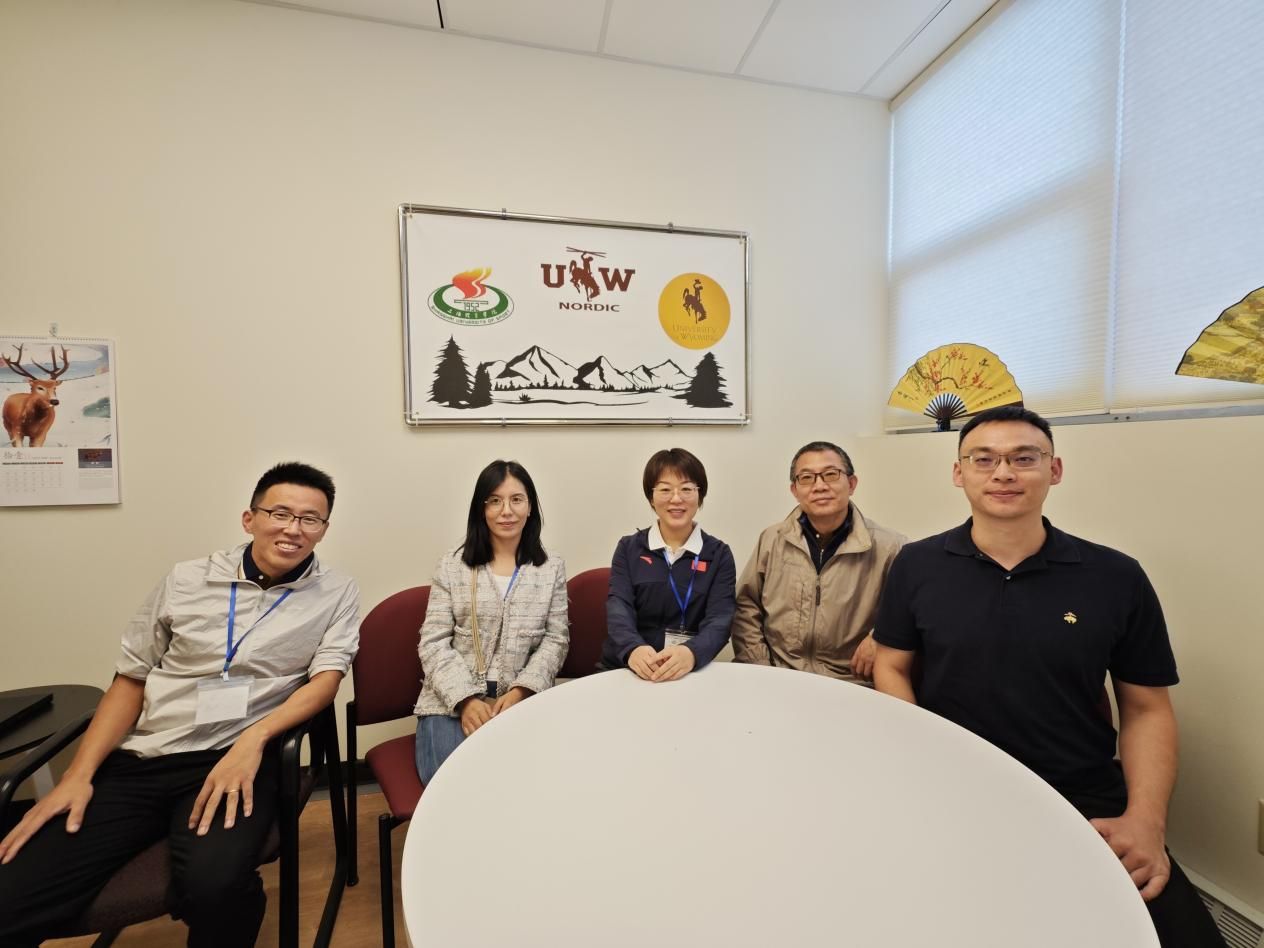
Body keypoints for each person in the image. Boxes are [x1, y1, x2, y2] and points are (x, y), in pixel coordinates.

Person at [872, 406, 1225, 948]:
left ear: (1054, 470)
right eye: (984, 459)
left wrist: (1146, 822)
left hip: (1080, 792)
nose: (1003, 473)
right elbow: (892, 666)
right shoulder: (916, 565)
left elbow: (1147, 708)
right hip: (953, 787)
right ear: (958, 473)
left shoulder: (1115, 576)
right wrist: (920, 759)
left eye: (1024, 458)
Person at [0, 462, 360, 948]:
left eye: (309, 519)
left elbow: (325, 682)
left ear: (324, 529)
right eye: (280, 513)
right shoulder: (187, 579)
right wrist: (77, 775)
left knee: (215, 887)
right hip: (147, 755)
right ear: (249, 518)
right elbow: (130, 679)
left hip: (237, 759)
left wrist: (254, 739)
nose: (293, 529)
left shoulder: (336, 592)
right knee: (13, 895)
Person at [414, 460, 568, 784]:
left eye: (517, 499)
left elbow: (556, 640)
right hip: (450, 703)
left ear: (530, 507)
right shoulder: (452, 566)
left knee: (529, 783)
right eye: (495, 501)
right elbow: (433, 642)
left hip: (521, 700)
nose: (506, 511)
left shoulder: (550, 567)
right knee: (453, 784)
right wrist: (466, 701)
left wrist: (522, 691)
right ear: (481, 509)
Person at [730, 440, 905, 682]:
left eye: (831, 474)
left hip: (851, 681)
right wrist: (761, 667)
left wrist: (880, 637)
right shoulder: (772, 540)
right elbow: (746, 607)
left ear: (852, 483)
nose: (819, 486)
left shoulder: (890, 547)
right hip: (777, 674)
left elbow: (911, 612)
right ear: (794, 490)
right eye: (807, 478)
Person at [601, 448, 736, 682]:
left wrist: (692, 653)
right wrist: (633, 649)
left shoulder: (718, 554)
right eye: (665, 489)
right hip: (629, 667)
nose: (676, 499)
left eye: (686, 489)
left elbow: (720, 619)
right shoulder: (629, 548)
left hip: (688, 671)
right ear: (651, 498)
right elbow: (619, 607)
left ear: (700, 495)